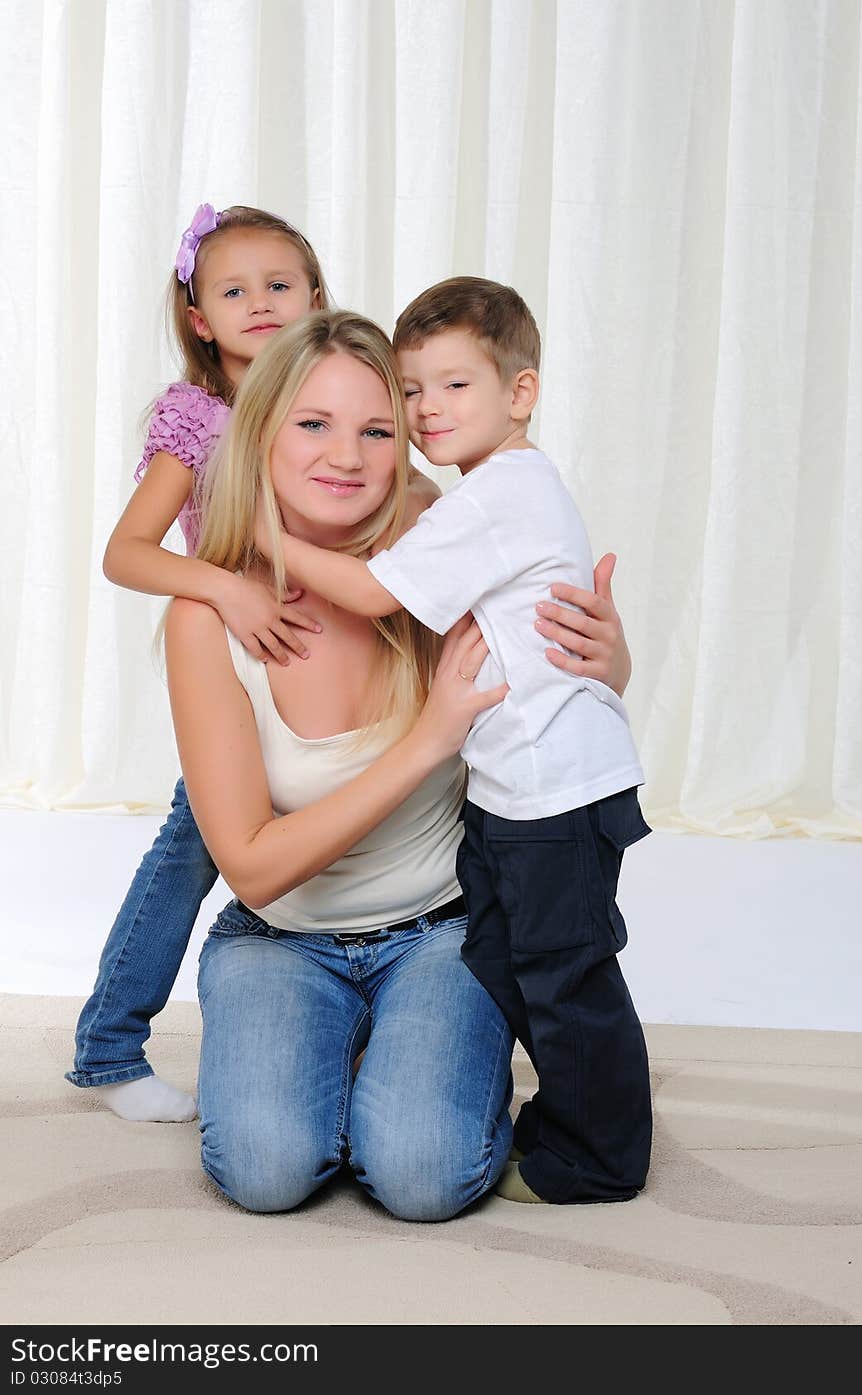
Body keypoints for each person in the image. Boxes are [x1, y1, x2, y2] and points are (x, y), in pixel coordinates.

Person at [164, 308, 634, 1220]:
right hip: (281, 936)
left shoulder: (437, 560)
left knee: (425, 1177)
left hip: (440, 927)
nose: (346, 455)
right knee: (267, 1170)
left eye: (377, 429)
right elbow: (252, 867)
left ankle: (407, 1050)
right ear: (262, 432)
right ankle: (338, 1045)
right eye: (313, 424)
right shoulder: (207, 617)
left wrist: (611, 660)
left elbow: (554, 685)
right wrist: (427, 741)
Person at [65, 204, 340, 1121]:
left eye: (279, 285)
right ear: (198, 318)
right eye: (233, 290)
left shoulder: (332, 404)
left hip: (325, 668)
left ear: (315, 299)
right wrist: (224, 588)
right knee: (194, 847)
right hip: (236, 673)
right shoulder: (201, 417)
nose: (259, 303)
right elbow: (127, 550)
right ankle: (108, 1048)